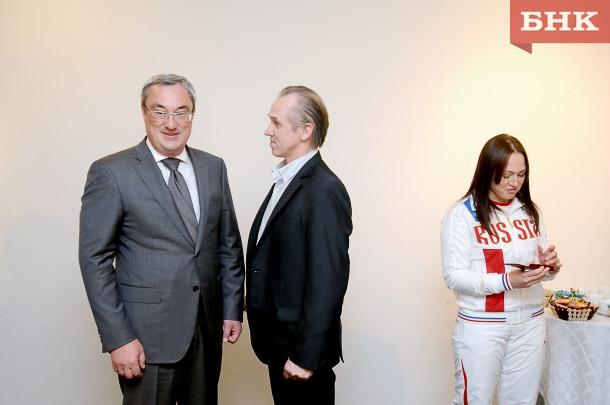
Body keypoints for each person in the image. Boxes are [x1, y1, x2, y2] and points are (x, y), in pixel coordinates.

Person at [78, 74, 245, 405]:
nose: (171, 123)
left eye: (181, 112)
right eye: (160, 111)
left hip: (206, 332)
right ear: (144, 113)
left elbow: (228, 245)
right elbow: (94, 259)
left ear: (192, 114)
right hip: (145, 340)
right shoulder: (112, 171)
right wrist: (119, 338)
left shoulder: (214, 167)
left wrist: (231, 309)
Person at [245, 86, 352, 405]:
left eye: (276, 123)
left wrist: (306, 354)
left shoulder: (325, 190)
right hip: (279, 344)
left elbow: (328, 282)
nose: (268, 130)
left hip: (300, 352)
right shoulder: (286, 180)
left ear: (305, 130)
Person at [441, 134, 562, 405]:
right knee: (475, 400)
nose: (514, 183)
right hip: (483, 325)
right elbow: (454, 275)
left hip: (530, 322)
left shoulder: (530, 211)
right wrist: (507, 280)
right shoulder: (462, 215)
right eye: (506, 175)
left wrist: (549, 266)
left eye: (521, 174)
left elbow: (537, 269)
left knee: (523, 401)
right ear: (488, 170)